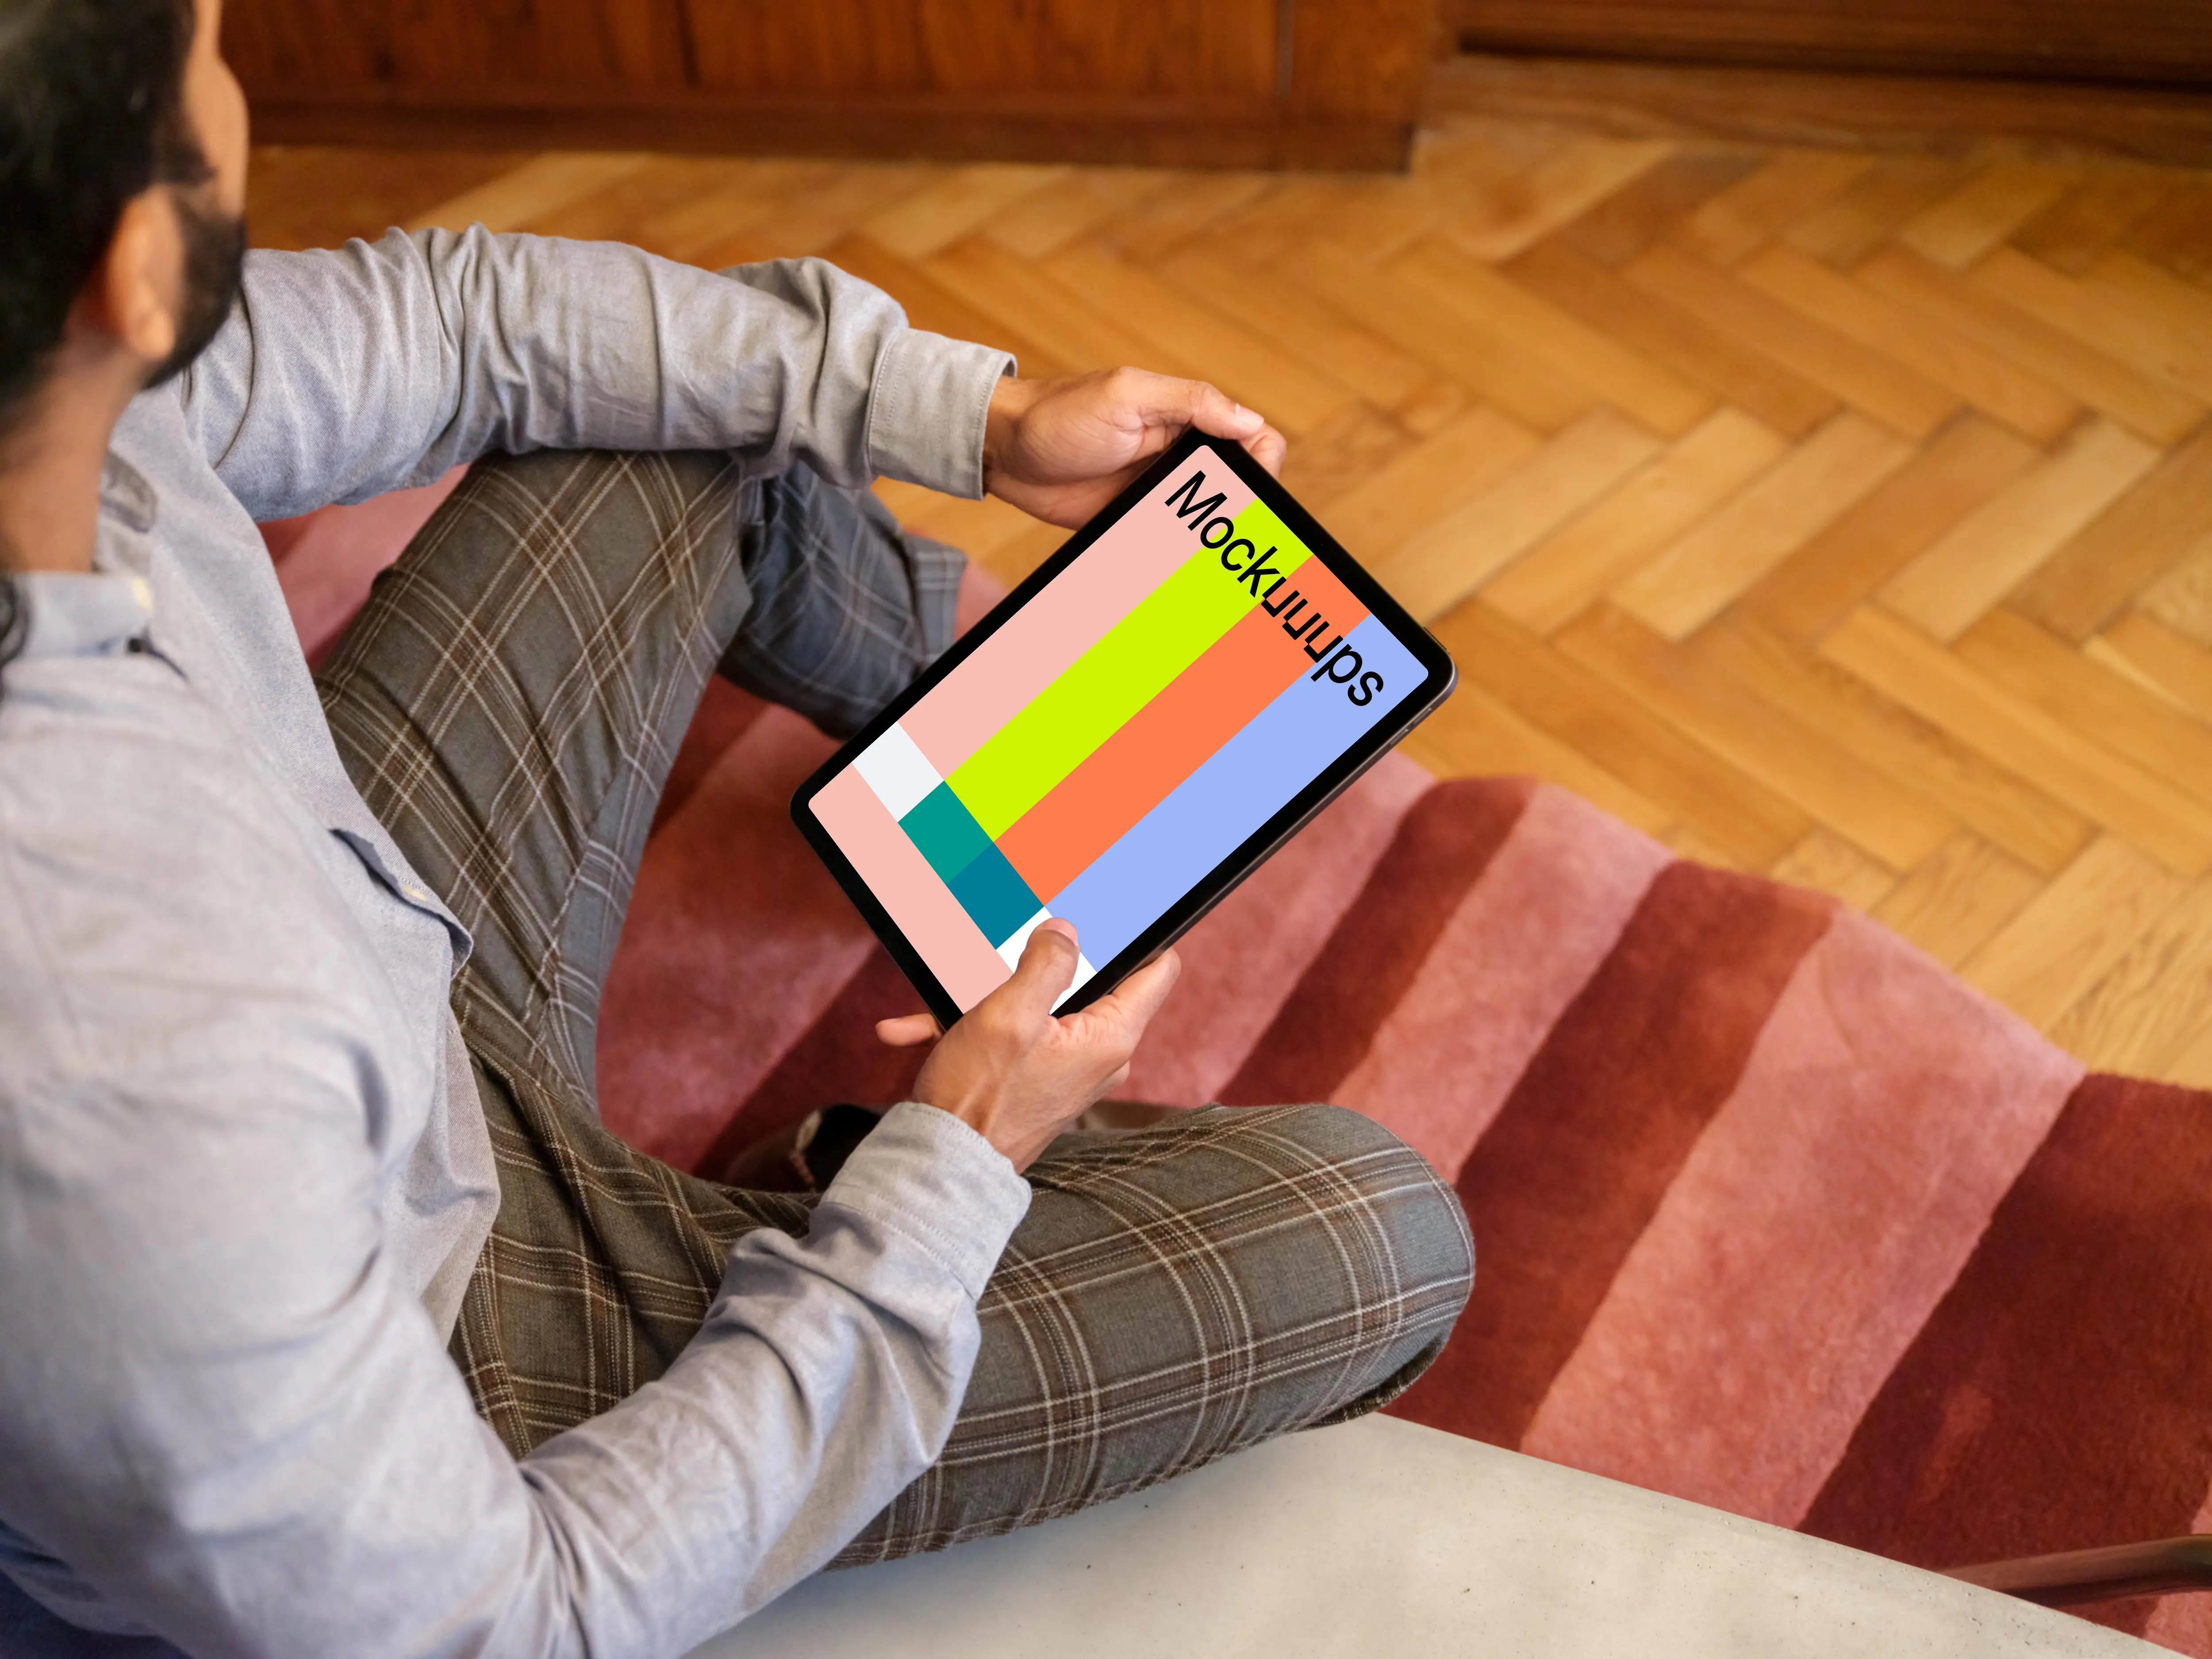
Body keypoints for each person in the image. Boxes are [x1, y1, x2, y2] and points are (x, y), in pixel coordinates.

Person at [0, 0, 1475, 1653]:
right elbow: (503, 1619)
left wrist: (982, 419)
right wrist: (955, 1161)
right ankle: (816, 1189)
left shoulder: (62, 398)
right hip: (435, 1351)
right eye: (208, 43)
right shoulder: (100, 1083)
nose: (232, 60)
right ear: (131, 269)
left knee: (708, 407)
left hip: (361, 953)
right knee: (1381, 1234)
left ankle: (1026, 738)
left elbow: (456, 319)